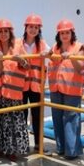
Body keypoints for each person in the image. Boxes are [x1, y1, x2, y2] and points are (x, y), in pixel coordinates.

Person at [0, 19, 29, 160]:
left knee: (14, 122)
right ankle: (1, 149)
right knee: (1, 121)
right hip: (1, 93)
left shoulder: (18, 45)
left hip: (15, 93)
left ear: (10, 32)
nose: (3, 33)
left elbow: (27, 65)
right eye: (0, 31)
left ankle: (12, 151)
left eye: (6, 31)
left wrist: (21, 60)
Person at [47, 19, 84, 160]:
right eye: (62, 33)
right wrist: (46, 55)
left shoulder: (79, 47)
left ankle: (72, 152)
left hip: (72, 89)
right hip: (56, 88)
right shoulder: (55, 47)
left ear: (72, 33)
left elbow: (80, 67)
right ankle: (61, 148)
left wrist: (72, 57)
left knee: (71, 119)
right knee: (57, 119)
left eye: (67, 32)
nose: (64, 35)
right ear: (58, 34)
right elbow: (53, 61)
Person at [20, 14, 49, 151]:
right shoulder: (18, 43)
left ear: (39, 30)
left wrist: (48, 53)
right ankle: (23, 144)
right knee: (22, 115)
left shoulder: (42, 44)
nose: (33, 30)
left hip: (36, 85)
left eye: (36, 27)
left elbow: (51, 52)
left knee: (37, 115)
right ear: (26, 28)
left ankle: (38, 144)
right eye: (31, 27)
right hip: (22, 85)